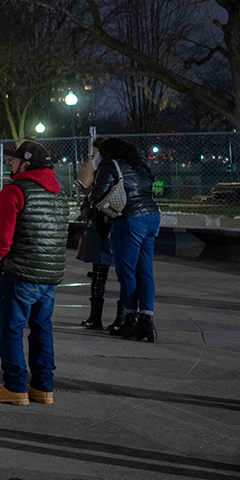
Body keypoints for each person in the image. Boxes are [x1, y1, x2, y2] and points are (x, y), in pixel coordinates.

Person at [0, 140, 63, 406]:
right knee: (42, 329)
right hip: (48, 275)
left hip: (18, 272)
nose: (11, 163)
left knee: (11, 330)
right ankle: (43, 387)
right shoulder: (58, 192)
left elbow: (2, 237)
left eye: (15, 160)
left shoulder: (15, 191)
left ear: (26, 164)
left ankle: (15, 387)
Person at [91, 137, 161, 342]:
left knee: (126, 271)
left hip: (128, 220)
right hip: (152, 217)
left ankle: (130, 317)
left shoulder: (109, 165)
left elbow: (98, 195)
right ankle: (147, 320)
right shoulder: (139, 165)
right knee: (145, 272)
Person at [73, 138, 117, 330]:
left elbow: (98, 195)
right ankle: (95, 316)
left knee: (123, 274)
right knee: (98, 274)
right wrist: (85, 210)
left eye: (95, 153)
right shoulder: (99, 171)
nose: (93, 157)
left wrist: (88, 195)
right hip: (100, 227)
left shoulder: (110, 171)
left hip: (110, 227)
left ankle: (123, 316)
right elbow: (90, 196)